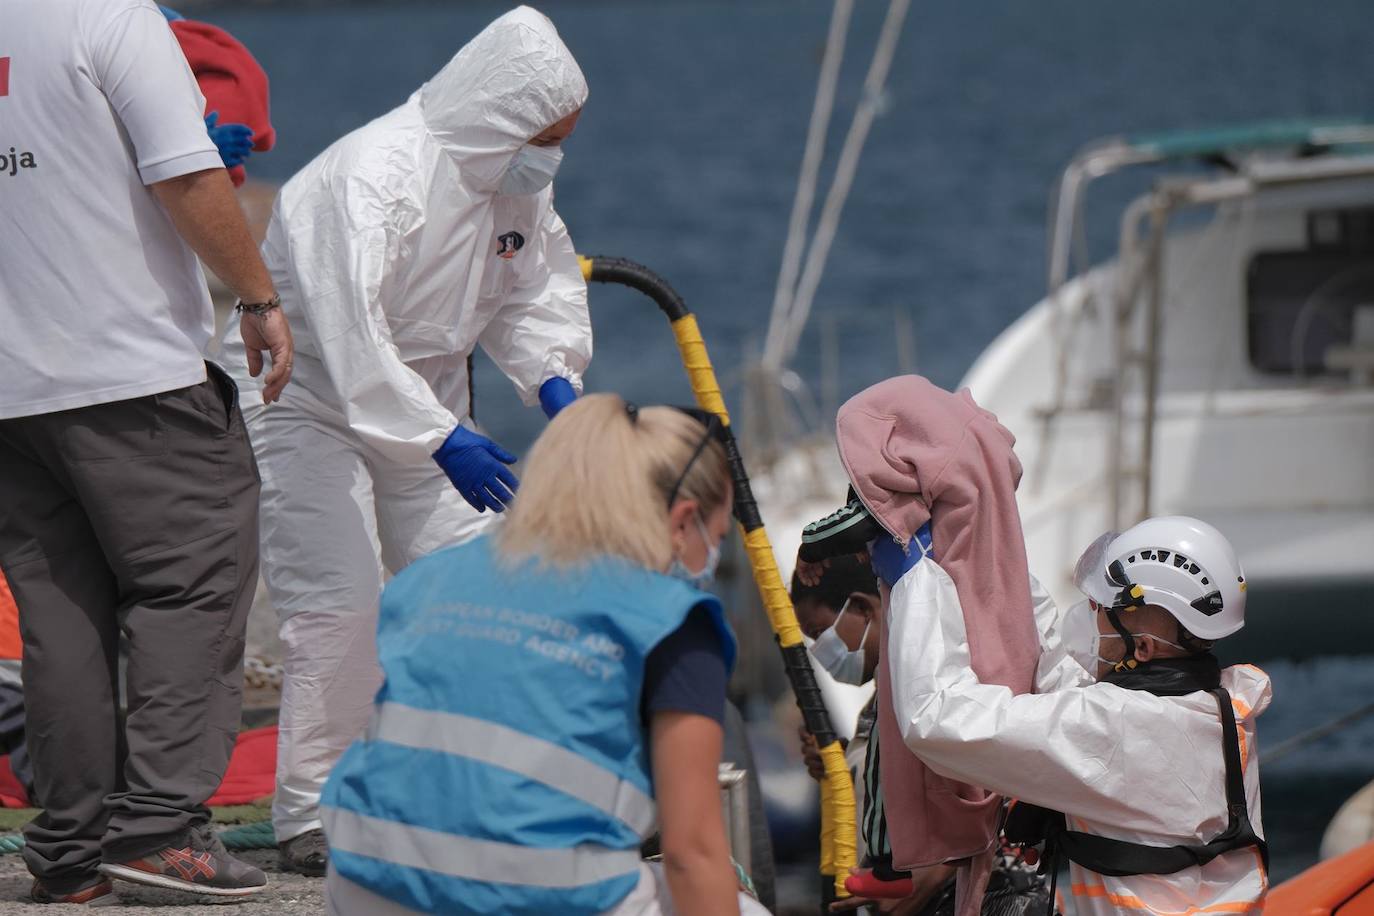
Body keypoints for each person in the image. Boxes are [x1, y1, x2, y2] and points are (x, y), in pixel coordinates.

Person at [216, 6, 593, 875]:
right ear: (502, 113)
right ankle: (313, 812)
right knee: (338, 605)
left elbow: (532, 287)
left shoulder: (512, 179)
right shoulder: (373, 176)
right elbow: (349, 334)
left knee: (473, 588)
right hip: (305, 395)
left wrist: (556, 383)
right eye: (549, 135)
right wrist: (442, 436)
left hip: (423, 403)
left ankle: (471, 785)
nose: (555, 155)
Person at [0, 0, 293, 904]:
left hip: (12, 389)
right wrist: (255, 296)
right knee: (192, 583)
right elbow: (188, 175)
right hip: (131, 375)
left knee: (62, 622)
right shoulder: (108, 15)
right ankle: (163, 831)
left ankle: (73, 846)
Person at [318, 395, 768, 916]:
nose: (709, 559)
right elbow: (693, 855)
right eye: (715, 538)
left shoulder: (430, 578)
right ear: (684, 520)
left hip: (363, 887)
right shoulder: (671, 621)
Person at [892, 516, 1269, 914]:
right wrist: (1001, 566)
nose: (1091, 613)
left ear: (1141, 648)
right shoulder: (1218, 706)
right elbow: (1072, 693)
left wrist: (916, 582)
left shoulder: (1118, 726)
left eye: (1104, 608)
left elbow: (935, 719)